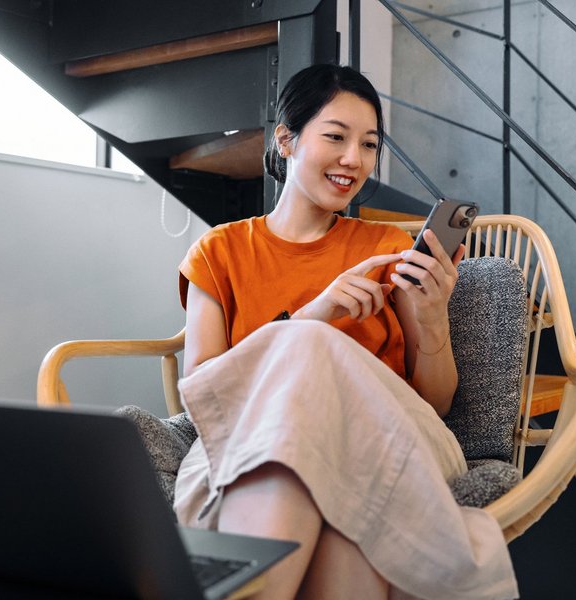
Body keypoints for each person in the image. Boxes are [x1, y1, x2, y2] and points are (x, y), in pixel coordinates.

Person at [173, 64, 517, 600]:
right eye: (335, 137)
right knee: (338, 533)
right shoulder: (221, 250)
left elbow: (436, 402)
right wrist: (316, 315)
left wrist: (430, 319)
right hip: (255, 441)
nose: (354, 160)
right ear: (286, 140)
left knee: (314, 363)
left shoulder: (386, 248)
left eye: (369, 144)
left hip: (390, 436)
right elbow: (202, 393)